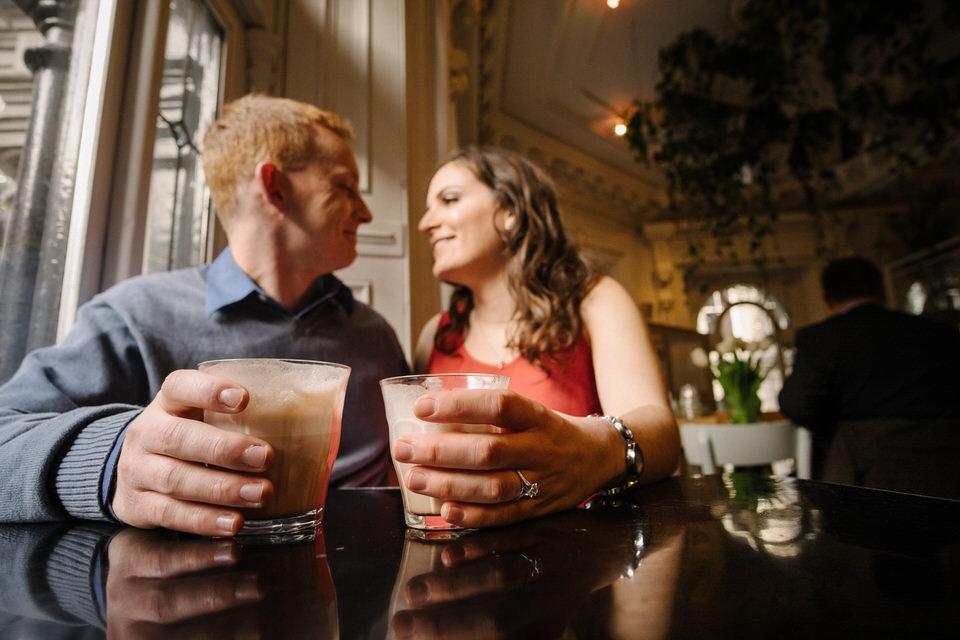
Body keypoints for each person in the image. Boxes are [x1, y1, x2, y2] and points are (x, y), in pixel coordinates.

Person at [0, 94, 409, 536]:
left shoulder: (375, 334)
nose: (365, 212)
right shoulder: (133, 317)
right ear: (274, 186)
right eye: (345, 186)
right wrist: (111, 459)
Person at [390, 146, 680, 529]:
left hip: (576, 553)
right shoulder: (437, 334)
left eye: (449, 199)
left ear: (510, 212)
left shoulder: (594, 301)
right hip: (454, 556)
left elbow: (660, 434)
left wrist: (595, 450)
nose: (426, 223)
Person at [778, 256, 960, 480]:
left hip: (866, 474)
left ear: (827, 300)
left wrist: (839, 426)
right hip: (946, 465)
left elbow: (796, 404)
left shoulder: (820, 339)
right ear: (882, 290)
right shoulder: (941, 332)